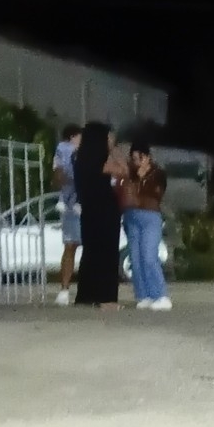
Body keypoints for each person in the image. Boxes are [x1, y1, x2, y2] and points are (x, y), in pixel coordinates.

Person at [72, 123, 127, 311]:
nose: (110, 141)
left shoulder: (80, 160)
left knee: (91, 253)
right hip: (104, 210)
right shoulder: (100, 162)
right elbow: (124, 170)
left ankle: (86, 295)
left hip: (89, 212)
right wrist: (114, 150)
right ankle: (106, 298)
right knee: (107, 254)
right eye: (108, 138)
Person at [121, 137, 171, 310]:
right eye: (134, 159)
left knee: (149, 256)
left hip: (150, 216)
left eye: (140, 158)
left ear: (148, 157)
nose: (137, 162)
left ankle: (161, 295)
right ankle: (143, 294)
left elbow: (156, 195)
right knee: (135, 258)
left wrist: (142, 180)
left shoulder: (158, 173)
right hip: (131, 217)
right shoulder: (130, 173)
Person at [51, 124, 84, 306]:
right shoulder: (63, 151)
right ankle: (64, 290)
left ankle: (89, 288)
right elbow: (58, 177)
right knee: (70, 245)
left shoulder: (86, 152)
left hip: (83, 201)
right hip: (71, 206)